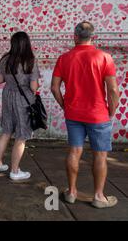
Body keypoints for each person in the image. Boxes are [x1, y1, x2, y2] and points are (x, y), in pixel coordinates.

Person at [51, 21, 120, 209]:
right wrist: (112, 110)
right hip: (98, 114)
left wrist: (65, 106)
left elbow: (54, 88)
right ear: (92, 37)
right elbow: (113, 89)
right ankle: (98, 196)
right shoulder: (105, 57)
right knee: (100, 155)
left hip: (73, 113)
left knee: (74, 151)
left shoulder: (64, 58)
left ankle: (72, 192)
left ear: (75, 36)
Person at [0, 31, 41, 181]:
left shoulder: (5, 59)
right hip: (23, 98)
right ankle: (14, 171)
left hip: (7, 95)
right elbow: (34, 87)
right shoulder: (30, 61)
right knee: (21, 135)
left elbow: (0, 80)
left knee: (6, 130)